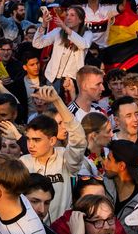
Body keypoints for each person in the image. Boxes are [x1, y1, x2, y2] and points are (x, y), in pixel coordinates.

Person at [20, 86, 87, 221]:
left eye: (37, 140)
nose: (30, 145)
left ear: (52, 140)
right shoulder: (22, 163)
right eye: (28, 139)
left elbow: (79, 139)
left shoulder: (65, 158)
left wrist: (57, 101)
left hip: (61, 230)